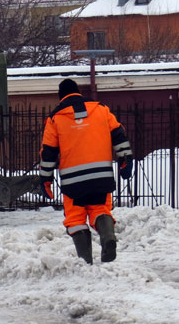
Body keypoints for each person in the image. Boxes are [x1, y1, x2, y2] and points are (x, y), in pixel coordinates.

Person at [39, 79, 133, 264]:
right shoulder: (101, 109)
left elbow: (48, 152)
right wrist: (125, 159)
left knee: (76, 219)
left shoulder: (55, 118)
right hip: (102, 176)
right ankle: (108, 238)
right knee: (100, 210)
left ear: (61, 97)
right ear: (78, 93)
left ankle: (85, 261)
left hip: (73, 182)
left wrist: (45, 179)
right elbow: (118, 134)